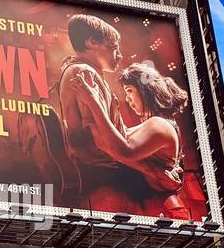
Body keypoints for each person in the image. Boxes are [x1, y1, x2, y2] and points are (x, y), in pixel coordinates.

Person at [55, 14, 182, 214]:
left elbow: (115, 142)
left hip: (113, 187)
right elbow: (103, 142)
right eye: (114, 48)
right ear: (91, 42)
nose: (120, 56)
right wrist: (154, 171)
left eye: (130, 91)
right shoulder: (85, 73)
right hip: (107, 184)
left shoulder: (157, 125)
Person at [118, 60, 194, 219]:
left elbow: (120, 149)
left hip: (165, 215)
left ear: (145, 91)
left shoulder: (158, 125)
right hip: (161, 212)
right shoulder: (155, 124)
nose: (127, 99)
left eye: (129, 90)